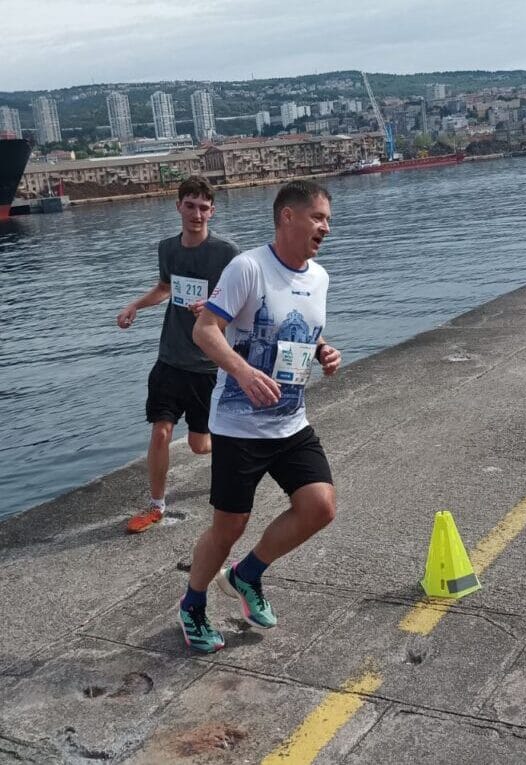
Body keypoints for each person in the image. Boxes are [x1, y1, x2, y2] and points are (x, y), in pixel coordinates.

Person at [178, 179, 342, 653]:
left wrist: (324, 351)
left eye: (328, 220)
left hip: (291, 421)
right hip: (239, 427)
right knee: (228, 527)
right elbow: (205, 330)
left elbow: (304, 333)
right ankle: (192, 604)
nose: (326, 228)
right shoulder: (247, 268)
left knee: (320, 506)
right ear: (288, 216)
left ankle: (247, 574)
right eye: (318, 217)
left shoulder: (320, 277)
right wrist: (243, 371)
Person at [117, 176, 239, 533]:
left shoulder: (227, 252)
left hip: (206, 363)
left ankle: (237, 446)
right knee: (160, 432)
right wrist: (135, 305)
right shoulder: (167, 248)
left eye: (203, 207)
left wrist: (213, 307)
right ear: (178, 207)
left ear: (212, 211)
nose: (196, 214)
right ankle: (156, 505)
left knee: (201, 446)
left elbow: (243, 299)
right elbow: (165, 287)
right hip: (170, 358)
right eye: (190, 206)